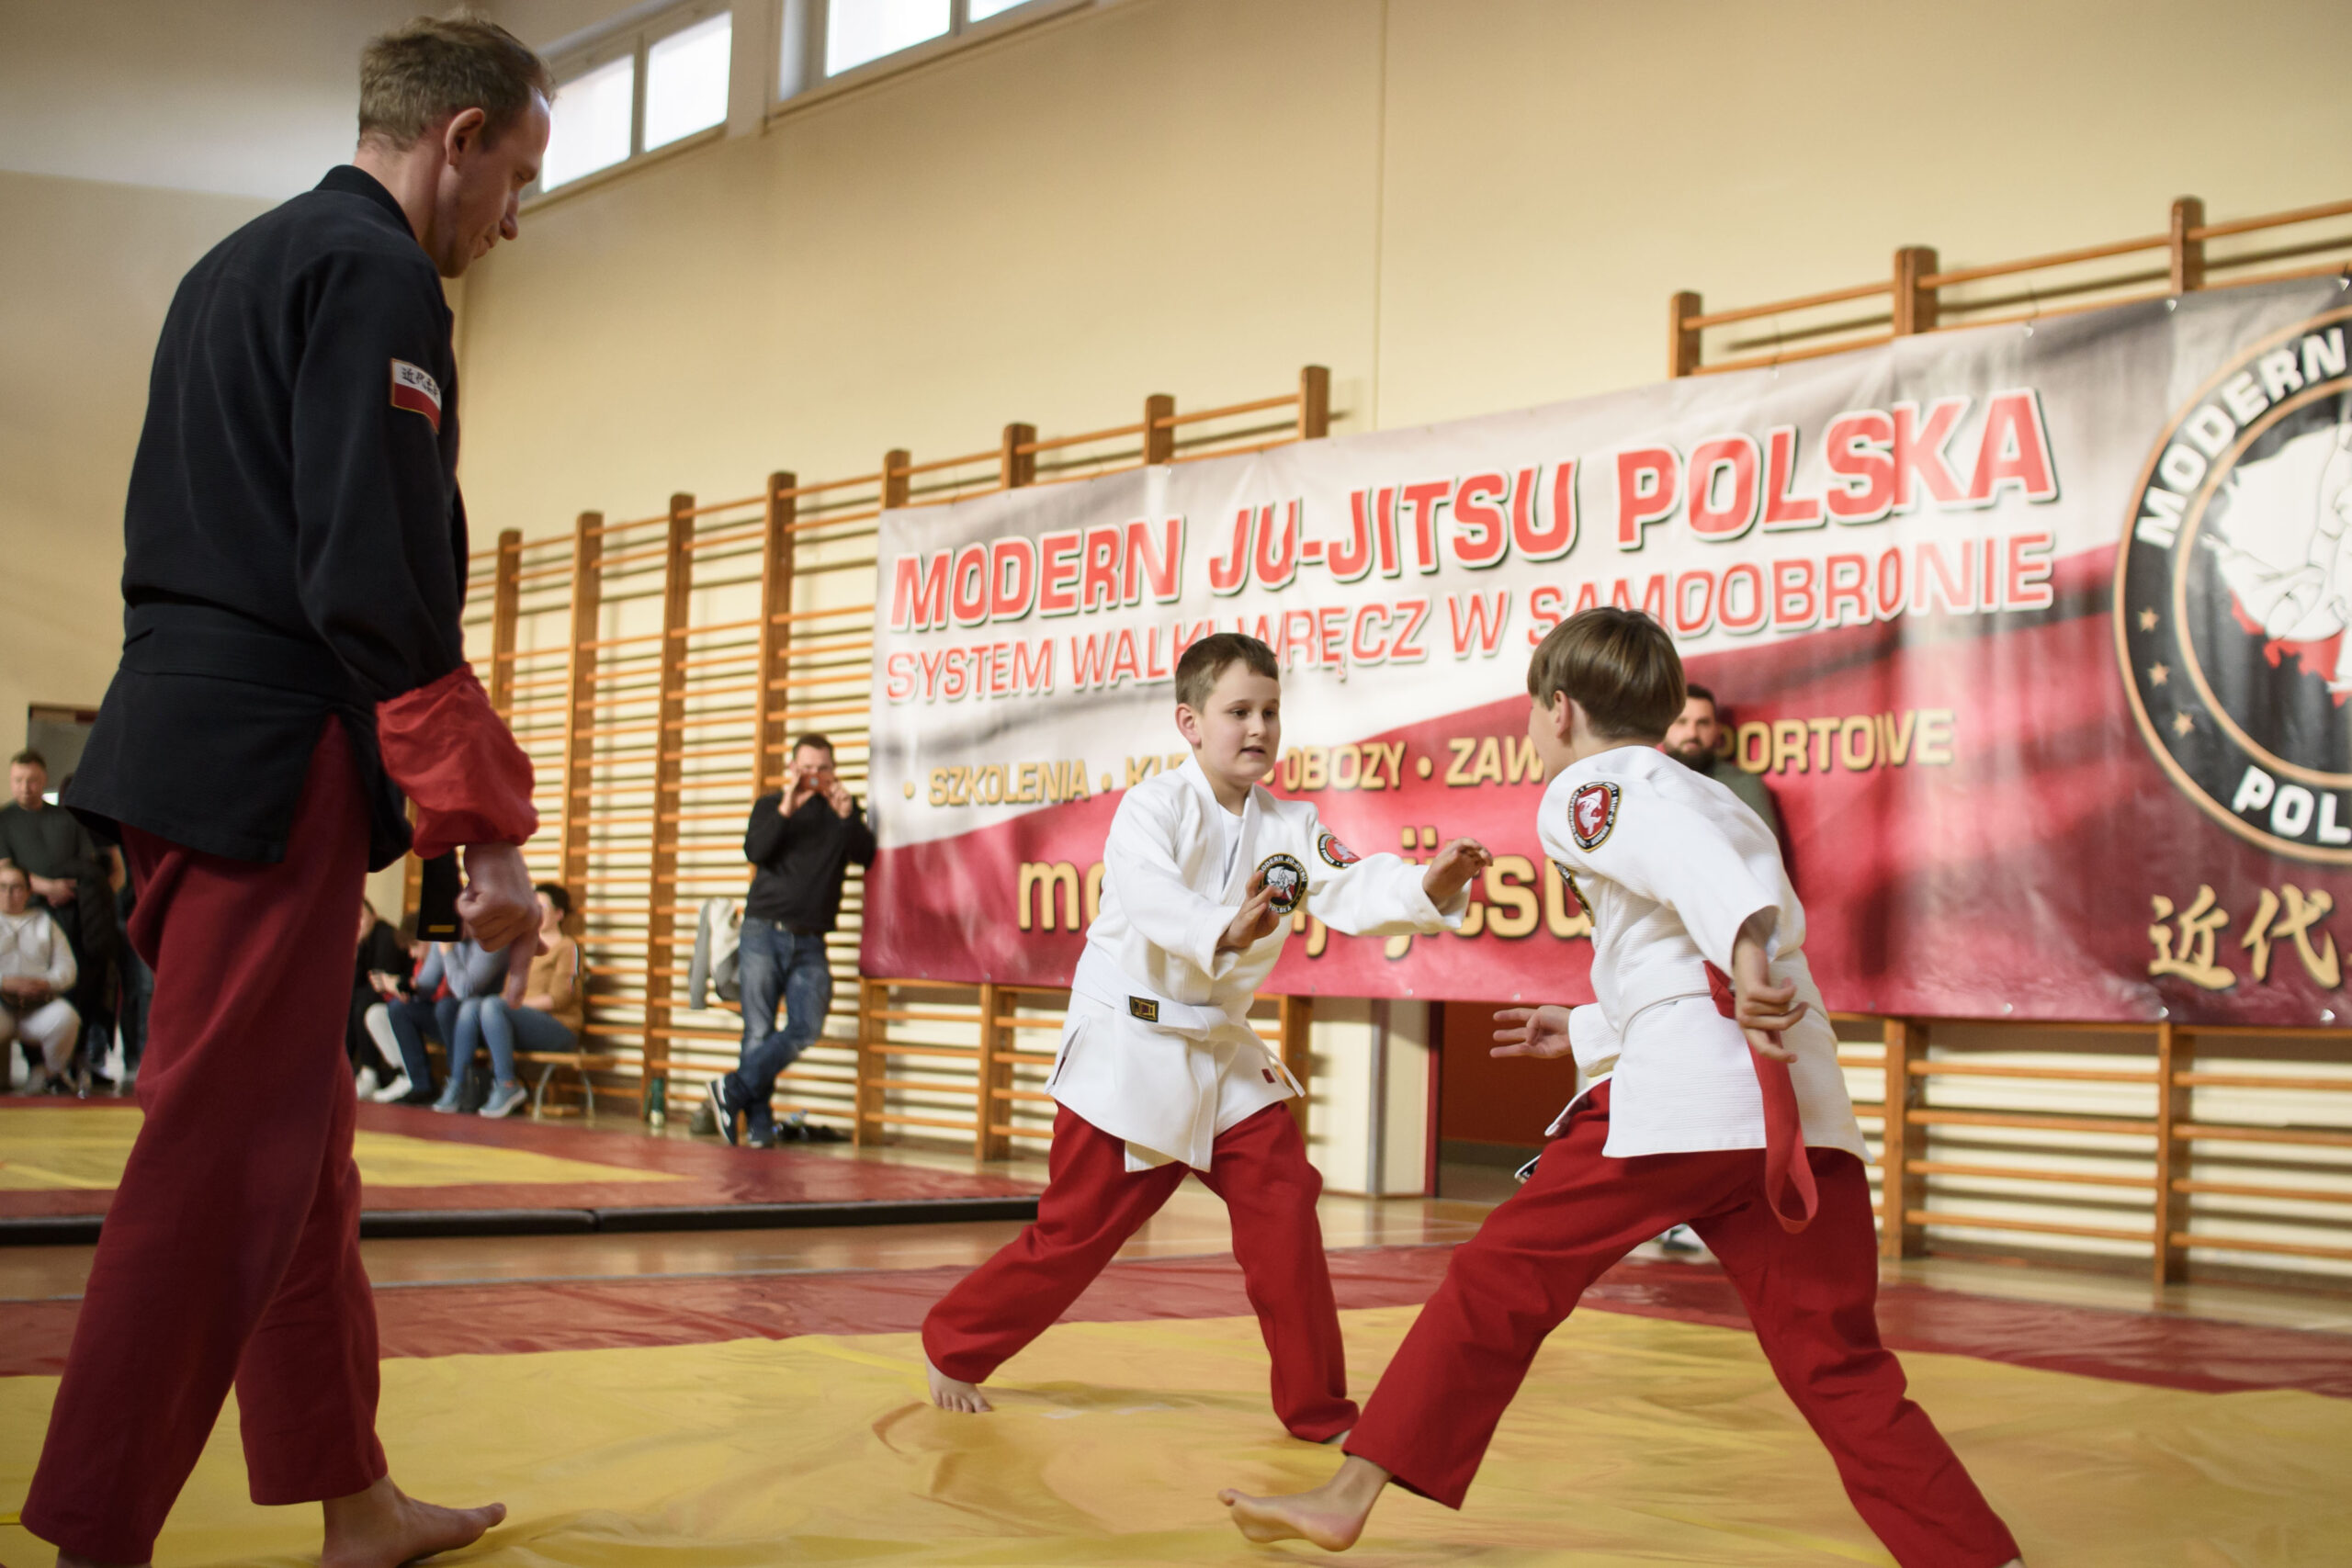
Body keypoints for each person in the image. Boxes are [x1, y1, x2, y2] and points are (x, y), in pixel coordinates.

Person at [22, 18, 553, 1568]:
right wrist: (483, 827)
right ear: (457, 139)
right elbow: (373, 575)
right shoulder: (378, 276)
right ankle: (93, 1534)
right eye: (518, 178)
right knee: (222, 1154)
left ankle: (353, 1497)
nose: (514, 219)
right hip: (270, 759)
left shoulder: (232, 267)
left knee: (301, 1144)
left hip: (178, 742)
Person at [1219, 608, 2021, 1567]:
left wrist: (1743, 957)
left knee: (1500, 1278)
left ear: (1559, 709)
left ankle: (1350, 1495)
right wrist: (1593, 1026)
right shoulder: (1714, 795)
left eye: (1533, 711)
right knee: (1839, 1363)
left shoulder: (1587, 787)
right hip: (1793, 1103)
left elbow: (1698, 880)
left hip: (1689, 1100)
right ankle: (1979, 1557)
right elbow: (1690, 926)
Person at [922, 634, 1491, 1435]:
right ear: (1190, 722)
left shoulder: (1292, 824)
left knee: (1284, 1204)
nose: (1258, 728)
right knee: (1075, 1233)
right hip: (1129, 1045)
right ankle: (953, 1342)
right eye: (1239, 712)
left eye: (1271, 711)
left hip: (1220, 1050)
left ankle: (1318, 1408)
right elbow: (1150, 896)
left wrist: (1430, 883)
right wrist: (1225, 927)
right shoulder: (1151, 808)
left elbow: (1355, 883)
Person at [707, 733, 874, 1148]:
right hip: (763, 931)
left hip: (812, 939)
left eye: (823, 769)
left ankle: (732, 1089)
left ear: (834, 771)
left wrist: (847, 817)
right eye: (807, 768)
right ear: (792, 768)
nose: (814, 776)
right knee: (759, 1030)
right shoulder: (770, 806)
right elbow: (755, 850)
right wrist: (787, 806)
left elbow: (866, 855)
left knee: (807, 1026)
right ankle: (759, 1126)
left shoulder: (843, 811)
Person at [2, 750, 117, 1082]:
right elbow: (4, 871)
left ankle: (67, 1066)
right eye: (19, 780)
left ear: (44, 780)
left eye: (33, 780)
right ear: (11, 780)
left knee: (78, 986)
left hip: (73, 918)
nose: (26, 787)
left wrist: (73, 891)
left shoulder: (66, 819)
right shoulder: (4, 820)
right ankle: (35, 1064)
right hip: (24, 915)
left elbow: (89, 867)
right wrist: (46, 887)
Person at [445, 883, 582, 1119]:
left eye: (542, 907)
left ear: (559, 914)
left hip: (559, 1027)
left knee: (493, 1005)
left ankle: (507, 1084)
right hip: (524, 1021)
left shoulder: (566, 947)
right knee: (472, 1006)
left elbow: (559, 998)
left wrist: (513, 1006)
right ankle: (458, 1084)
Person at [394, 936, 512, 1111]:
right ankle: (421, 1085)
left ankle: (459, 1081)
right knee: (400, 1008)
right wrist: (409, 987)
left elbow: (464, 990)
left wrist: (448, 952)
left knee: (446, 1007)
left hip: (485, 1017)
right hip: (457, 1014)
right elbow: (427, 983)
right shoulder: (444, 938)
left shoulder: (490, 939)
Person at [0, 861, 81, 1093]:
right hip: (2, 1006)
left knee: (66, 1017)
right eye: (2, 887)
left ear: (28, 892)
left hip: (37, 1005)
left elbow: (67, 967)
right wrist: (5, 982)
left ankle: (53, 1075)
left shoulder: (45, 922)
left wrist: (45, 983)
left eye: (16, 887)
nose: (9, 894)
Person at [1662, 682, 1780, 839]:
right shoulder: (1643, 781)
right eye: (1681, 722)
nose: (1692, 733)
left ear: (1717, 730)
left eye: (1703, 723)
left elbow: (1765, 849)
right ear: (1664, 727)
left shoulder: (1743, 785)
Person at [349, 898, 409, 1098]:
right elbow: (354, 982)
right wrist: (355, 950)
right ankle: (346, 1068)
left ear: (373, 915)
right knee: (349, 1002)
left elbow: (382, 982)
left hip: (398, 995)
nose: (357, 923)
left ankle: (370, 1071)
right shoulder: (361, 941)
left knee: (362, 1004)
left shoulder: (386, 936)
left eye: (361, 917)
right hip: (375, 995)